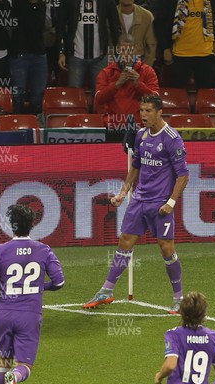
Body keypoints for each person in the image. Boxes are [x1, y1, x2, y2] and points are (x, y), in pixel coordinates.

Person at [83, 95, 189, 314]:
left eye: (148, 111)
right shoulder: (141, 135)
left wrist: (171, 202)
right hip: (139, 200)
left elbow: (183, 176)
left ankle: (179, 298)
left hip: (160, 203)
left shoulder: (172, 138)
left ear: (160, 112)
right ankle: (107, 290)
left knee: (166, 248)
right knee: (125, 241)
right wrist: (123, 192)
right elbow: (136, 167)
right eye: (141, 110)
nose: (144, 115)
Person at [0, 204, 65, 384]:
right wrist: (39, 287)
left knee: (3, 360)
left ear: (11, 225)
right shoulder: (44, 250)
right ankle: (14, 379)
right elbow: (59, 282)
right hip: (29, 314)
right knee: (24, 365)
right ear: (32, 225)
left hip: (4, 313)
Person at [154, 0, 215, 89]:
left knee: (206, 95)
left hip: (207, 54)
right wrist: (165, 48)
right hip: (179, 55)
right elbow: (159, 22)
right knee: (177, 95)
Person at [95, 34, 159, 130]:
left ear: (136, 49)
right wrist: (117, 84)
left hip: (139, 126)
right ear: (118, 49)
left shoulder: (147, 71)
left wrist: (139, 85)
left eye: (130, 50)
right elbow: (99, 99)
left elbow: (155, 101)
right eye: (123, 50)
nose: (126, 54)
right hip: (112, 126)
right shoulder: (106, 72)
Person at [57, 0, 121, 88]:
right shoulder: (69, 1)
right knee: (74, 91)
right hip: (76, 55)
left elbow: (115, 26)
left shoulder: (107, 1)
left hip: (100, 56)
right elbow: (60, 27)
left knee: (100, 91)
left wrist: (118, 51)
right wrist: (61, 51)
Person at [9, 0, 48, 115]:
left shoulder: (43, 6)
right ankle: (16, 122)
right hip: (19, 54)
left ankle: (36, 123)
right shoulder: (16, 4)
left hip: (39, 55)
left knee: (39, 93)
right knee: (18, 93)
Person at [117, 0, 157, 66]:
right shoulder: (109, 14)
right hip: (115, 63)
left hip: (139, 62)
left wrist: (145, 69)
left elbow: (151, 45)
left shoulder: (147, 16)